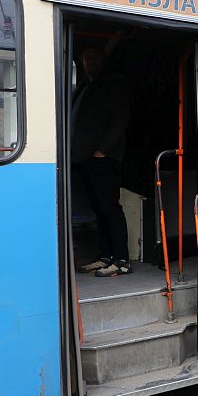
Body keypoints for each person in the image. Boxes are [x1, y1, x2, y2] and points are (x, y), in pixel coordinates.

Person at [72, 45, 133, 277]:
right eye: (87, 57)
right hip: (84, 158)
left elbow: (120, 117)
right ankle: (105, 256)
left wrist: (104, 149)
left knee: (110, 208)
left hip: (104, 158)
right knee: (97, 209)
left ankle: (122, 259)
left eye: (94, 57)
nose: (90, 61)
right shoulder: (83, 86)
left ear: (104, 59)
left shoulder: (113, 83)